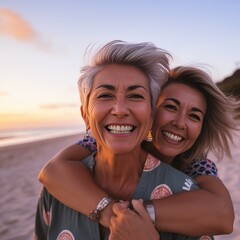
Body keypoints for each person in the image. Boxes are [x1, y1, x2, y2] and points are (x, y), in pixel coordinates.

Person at [39, 64, 239, 239]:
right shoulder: (113, 139)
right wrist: (111, 213)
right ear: (150, 111)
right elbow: (52, 171)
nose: (179, 123)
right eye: (170, 107)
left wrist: (135, 215)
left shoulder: (196, 164)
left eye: (194, 116)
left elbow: (222, 215)